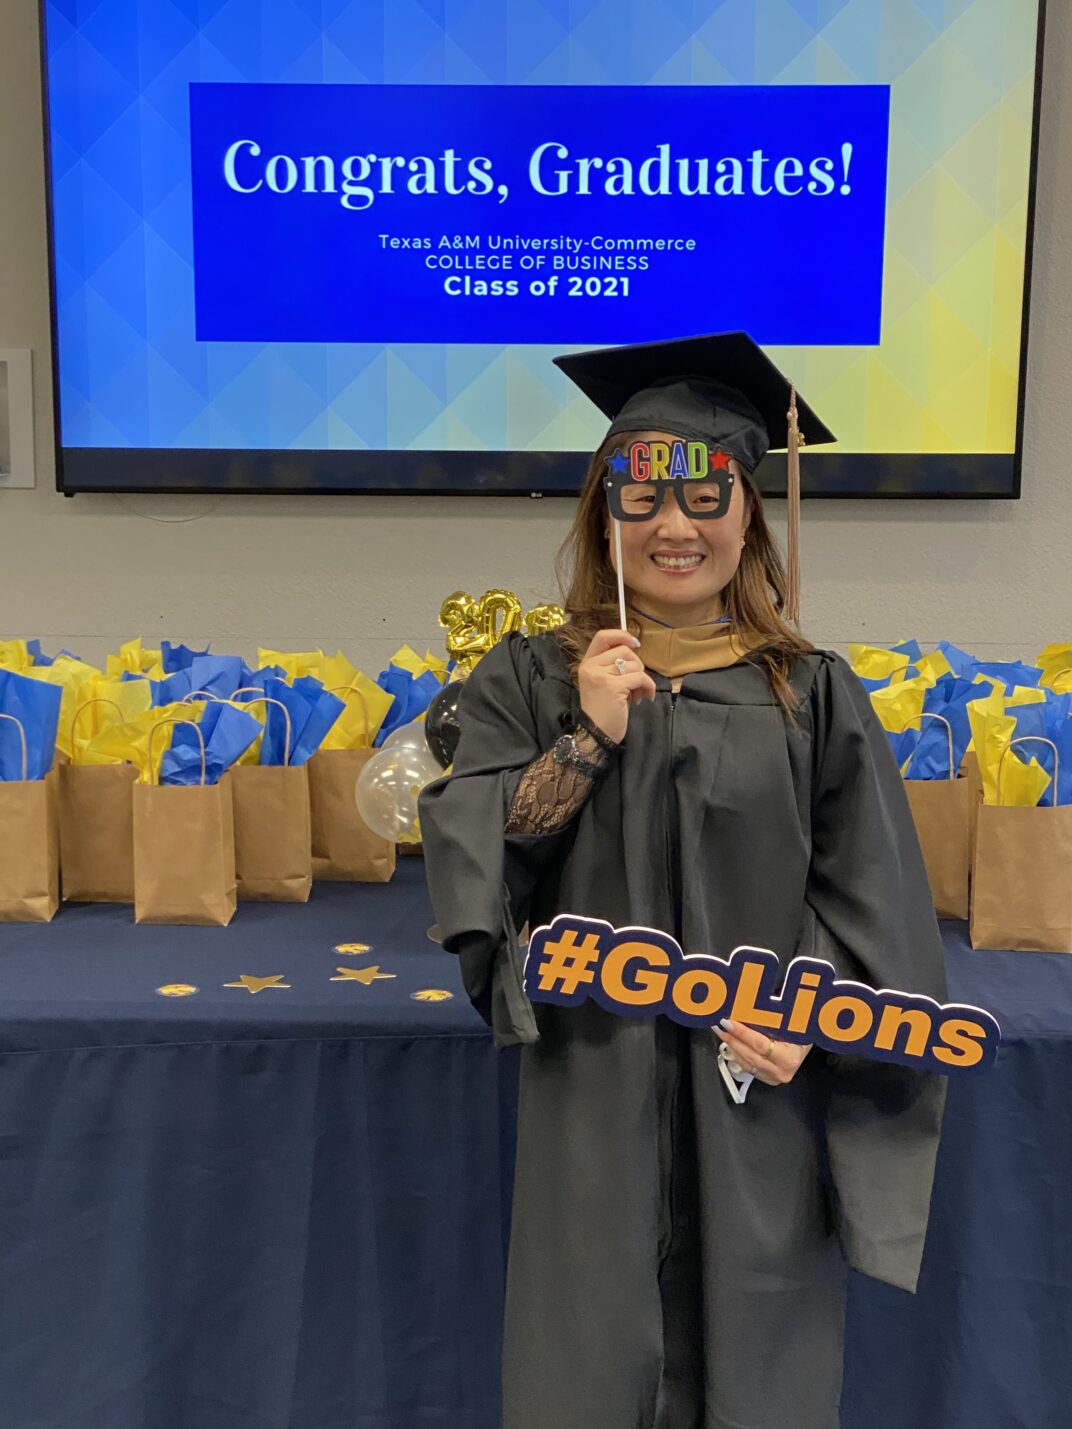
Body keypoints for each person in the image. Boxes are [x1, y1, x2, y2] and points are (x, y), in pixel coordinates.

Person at [419, 332, 948, 1429]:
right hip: (595, 1078)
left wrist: (815, 1013)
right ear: (602, 514)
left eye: (706, 496)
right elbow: (481, 849)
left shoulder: (810, 693)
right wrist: (589, 737)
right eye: (642, 496)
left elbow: (872, 900)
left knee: (758, 1352)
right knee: (591, 1350)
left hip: (753, 1083)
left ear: (747, 512)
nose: (673, 526)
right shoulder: (533, 674)